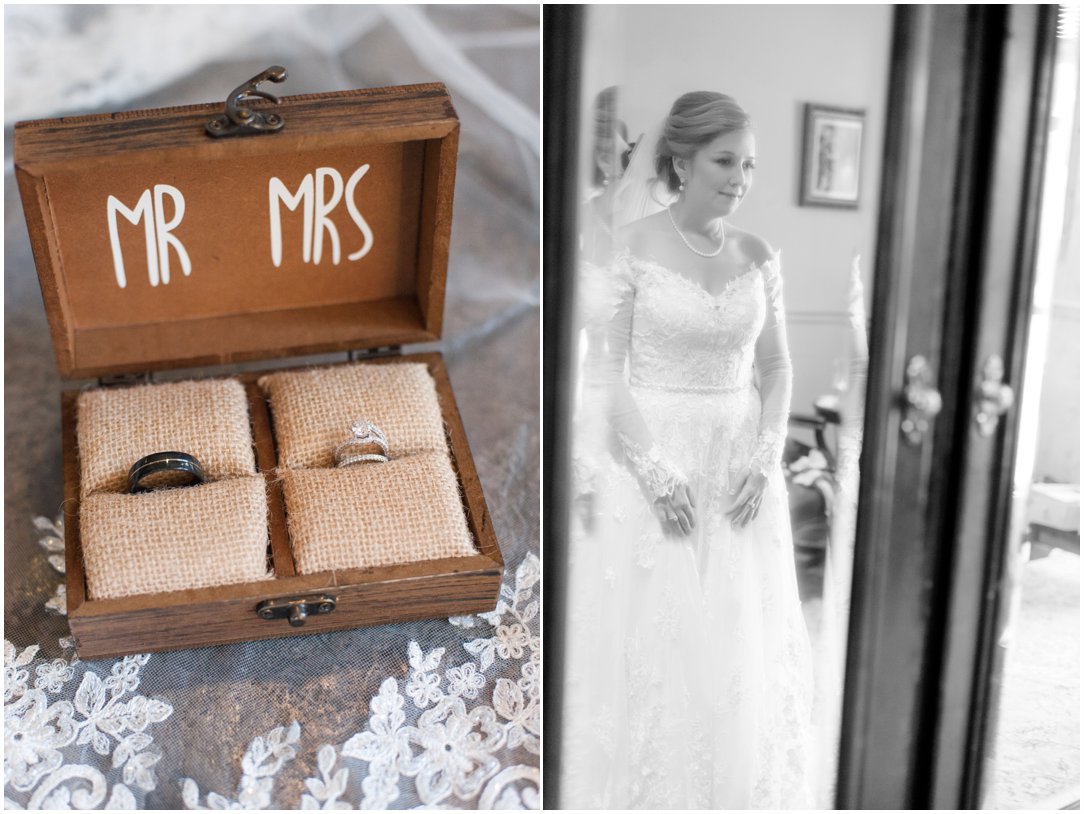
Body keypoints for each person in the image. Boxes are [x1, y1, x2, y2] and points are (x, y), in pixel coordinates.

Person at [568, 91, 814, 809]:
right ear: (681, 159)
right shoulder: (632, 245)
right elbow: (603, 370)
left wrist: (766, 456)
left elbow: (777, 367)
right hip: (652, 452)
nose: (740, 178)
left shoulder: (756, 253)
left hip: (736, 460)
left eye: (750, 164)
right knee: (657, 643)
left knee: (738, 641)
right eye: (726, 160)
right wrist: (651, 468)